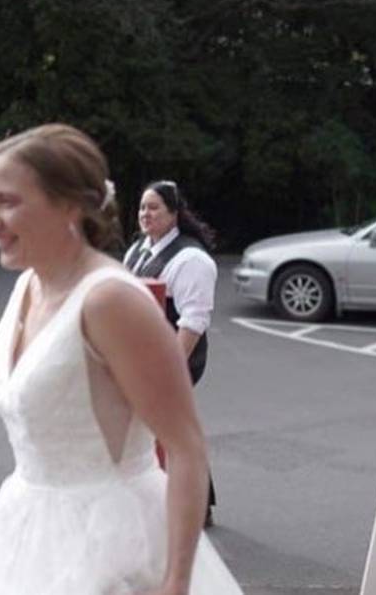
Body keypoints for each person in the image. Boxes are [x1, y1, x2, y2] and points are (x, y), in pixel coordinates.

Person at [0, 123, 242, 595]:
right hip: (29, 531)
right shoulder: (27, 285)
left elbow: (185, 447)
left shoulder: (110, 301)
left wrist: (176, 581)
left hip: (114, 546)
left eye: (8, 201)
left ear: (69, 206)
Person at [123, 181, 220, 526]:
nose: (145, 215)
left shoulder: (191, 259)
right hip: (141, 358)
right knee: (164, 427)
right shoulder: (137, 249)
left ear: (174, 214)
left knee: (170, 426)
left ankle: (196, 505)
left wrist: (171, 371)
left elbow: (194, 320)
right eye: (141, 208)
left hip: (178, 357)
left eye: (154, 208)